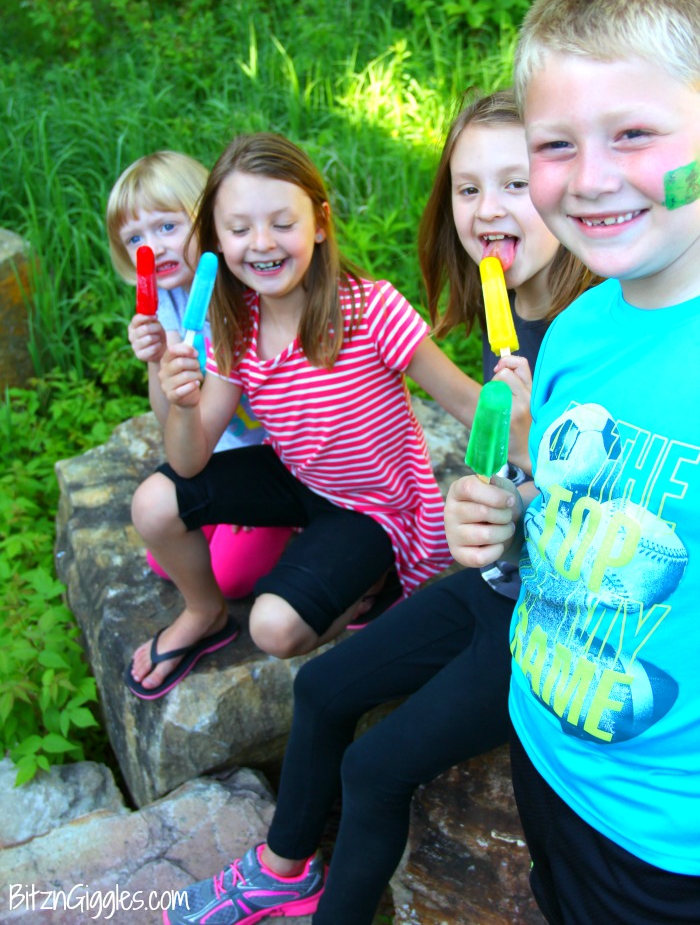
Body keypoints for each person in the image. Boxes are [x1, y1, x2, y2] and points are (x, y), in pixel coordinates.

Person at [161, 92, 594, 925]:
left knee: (372, 767)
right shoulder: (520, 319)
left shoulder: (595, 326)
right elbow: (185, 454)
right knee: (322, 689)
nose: (486, 210)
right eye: (467, 189)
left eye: (513, 182)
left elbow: (610, 512)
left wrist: (529, 459)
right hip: (503, 583)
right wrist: (508, 471)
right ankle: (282, 872)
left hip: (555, 624)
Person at [445, 0, 700, 924]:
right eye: (554, 144)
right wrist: (505, 530)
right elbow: (562, 523)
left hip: (668, 841)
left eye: (632, 132)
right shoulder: (581, 328)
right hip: (546, 750)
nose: (588, 180)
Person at [128, 131, 487, 699]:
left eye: (282, 223)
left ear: (319, 222)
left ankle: (378, 577)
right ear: (217, 239)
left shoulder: (371, 310)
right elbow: (189, 459)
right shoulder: (234, 323)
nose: (261, 243)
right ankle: (205, 614)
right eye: (239, 228)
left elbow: (467, 401)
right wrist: (182, 402)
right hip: (298, 478)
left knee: (274, 627)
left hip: (373, 510)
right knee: (152, 502)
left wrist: (528, 448)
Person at [106, 152, 291, 608]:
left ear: (208, 218)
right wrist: (156, 361)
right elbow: (173, 421)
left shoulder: (243, 292)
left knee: (228, 579)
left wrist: (251, 498)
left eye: (168, 227)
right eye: (135, 238)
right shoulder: (165, 303)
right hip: (213, 452)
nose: (153, 248)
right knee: (163, 561)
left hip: (281, 460)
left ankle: (294, 528)